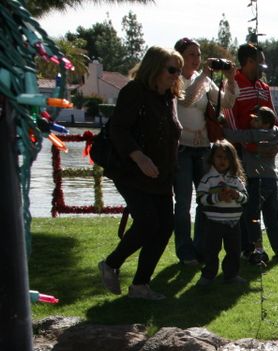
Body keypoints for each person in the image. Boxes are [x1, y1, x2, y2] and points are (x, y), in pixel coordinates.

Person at [97, 46, 183, 301]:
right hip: (132, 171)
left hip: (161, 175)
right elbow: (119, 130)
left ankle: (140, 286)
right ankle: (111, 264)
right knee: (147, 222)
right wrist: (139, 157)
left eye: (178, 71)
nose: (175, 75)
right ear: (154, 67)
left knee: (165, 225)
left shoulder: (167, 97)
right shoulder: (134, 91)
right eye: (171, 69)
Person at [227, 42, 278, 263]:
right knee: (248, 206)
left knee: (275, 201)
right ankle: (249, 249)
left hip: (268, 158)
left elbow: (274, 120)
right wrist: (253, 146)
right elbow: (231, 126)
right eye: (260, 61)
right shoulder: (233, 86)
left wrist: (276, 140)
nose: (263, 67)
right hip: (244, 156)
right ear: (249, 61)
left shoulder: (264, 87)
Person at [172, 37, 238, 266]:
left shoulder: (207, 81)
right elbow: (187, 99)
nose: (196, 59)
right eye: (191, 54)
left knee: (205, 199)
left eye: (198, 55)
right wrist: (203, 75)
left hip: (202, 149)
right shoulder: (175, 77)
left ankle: (201, 248)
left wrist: (230, 79)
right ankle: (184, 250)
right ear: (179, 56)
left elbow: (228, 103)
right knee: (182, 203)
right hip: (181, 149)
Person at [223, 107, 278, 265]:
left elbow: (231, 135)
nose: (251, 122)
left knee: (252, 216)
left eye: (256, 120)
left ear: (265, 124)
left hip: (257, 180)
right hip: (273, 179)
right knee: (271, 216)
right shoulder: (276, 132)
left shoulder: (254, 134)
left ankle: (258, 250)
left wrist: (221, 123)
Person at [195, 140, 248, 285]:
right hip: (213, 222)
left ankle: (231, 275)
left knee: (234, 251)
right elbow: (201, 199)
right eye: (219, 157)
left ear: (233, 160)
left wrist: (237, 195)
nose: (222, 160)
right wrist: (217, 197)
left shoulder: (237, 180)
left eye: (226, 158)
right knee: (211, 251)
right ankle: (208, 276)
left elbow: (245, 199)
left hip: (234, 223)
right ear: (212, 158)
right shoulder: (208, 179)